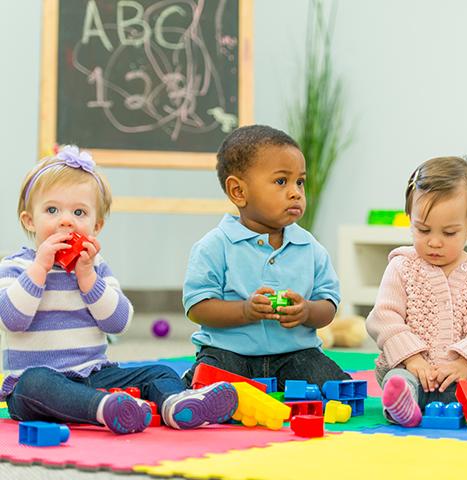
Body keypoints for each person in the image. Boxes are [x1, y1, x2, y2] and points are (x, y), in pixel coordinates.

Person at [0, 146, 238, 435]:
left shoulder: (95, 267)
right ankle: (105, 408)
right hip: (39, 383)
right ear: (29, 220)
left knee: (160, 372)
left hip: (95, 374)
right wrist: (39, 269)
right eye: (52, 210)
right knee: (33, 386)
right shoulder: (18, 266)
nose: (66, 220)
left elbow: (119, 323)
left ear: (96, 226)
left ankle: (176, 405)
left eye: (79, 212)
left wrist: (87, 278)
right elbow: (12, 319)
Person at [181, 125, 350, 390]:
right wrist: (245, 311)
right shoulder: (215, 245)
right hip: (230, 353)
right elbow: (197, 307)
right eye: (281, 181)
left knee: (334, 387)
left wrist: (306, 310)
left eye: (300, 181)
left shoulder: (310, 247)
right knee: (211, 384)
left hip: (295, 354)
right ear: (238, 191)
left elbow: (328, 306)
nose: (295, 192)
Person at [366, 156, 467, 427]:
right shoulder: (402, 266)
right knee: (399, 381)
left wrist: (464, 364)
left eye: (449, 233)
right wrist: (413, 358)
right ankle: (402, 406)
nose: (434, 242)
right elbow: (384, 317)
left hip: (465, 374)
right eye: (422, 229)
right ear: (410, 219)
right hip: (412, 369)